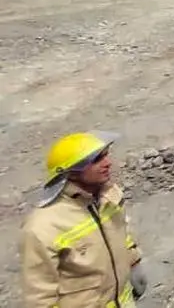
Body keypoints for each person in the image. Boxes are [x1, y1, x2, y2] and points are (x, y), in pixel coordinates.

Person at [20, 131, 149, 308]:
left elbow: (122, 232)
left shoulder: (109, 195)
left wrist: (134, 261)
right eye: (96, 160)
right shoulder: (43, 227)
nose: (108, 163)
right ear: (71, 173)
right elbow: (40, 297)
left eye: (106, 155)